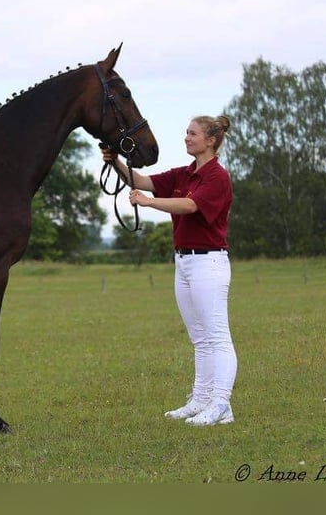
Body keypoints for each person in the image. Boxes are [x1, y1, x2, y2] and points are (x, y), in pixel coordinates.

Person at [102, 115, 237, 426]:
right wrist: (116, 162)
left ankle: (221, 405)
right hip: (185, 263)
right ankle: (200, 399)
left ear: (210, 141)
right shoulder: (184, 174)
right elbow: (141, 181)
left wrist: (149, 204)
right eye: (186, 132)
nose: (186, 138)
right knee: (200, 339)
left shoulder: (217, 177)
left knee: (217, 337)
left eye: (192, 134)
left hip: (209, 262)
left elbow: (190, 207)